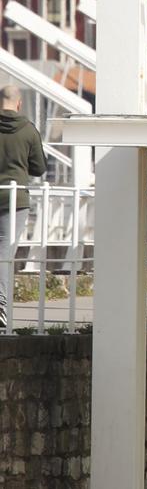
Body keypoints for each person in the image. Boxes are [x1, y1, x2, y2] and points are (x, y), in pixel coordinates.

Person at [0, 85, 45, 332]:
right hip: (15, 199)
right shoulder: (28, 130)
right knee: (5, 253)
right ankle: (1, 306)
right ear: (19, 104)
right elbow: (39, 168)